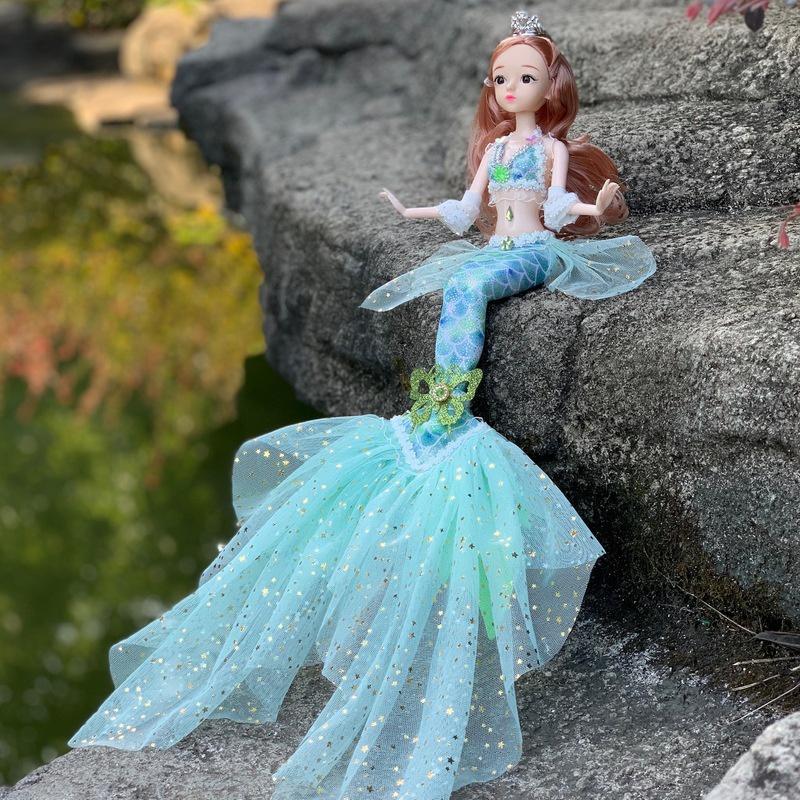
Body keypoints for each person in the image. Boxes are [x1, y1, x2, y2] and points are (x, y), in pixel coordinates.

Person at [68, 10, 656, 800]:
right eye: (501, 78)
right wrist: (413, 214)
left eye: (526, 77)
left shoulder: (548, 150)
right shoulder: (496, 150)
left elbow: (558, 210)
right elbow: (465, 207)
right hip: (493, 244)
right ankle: (441, 402)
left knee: (469, 286)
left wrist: (597, 210)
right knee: (460, 278)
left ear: (550, 86)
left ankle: (448, 406)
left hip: (533, 251)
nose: (511, 89)